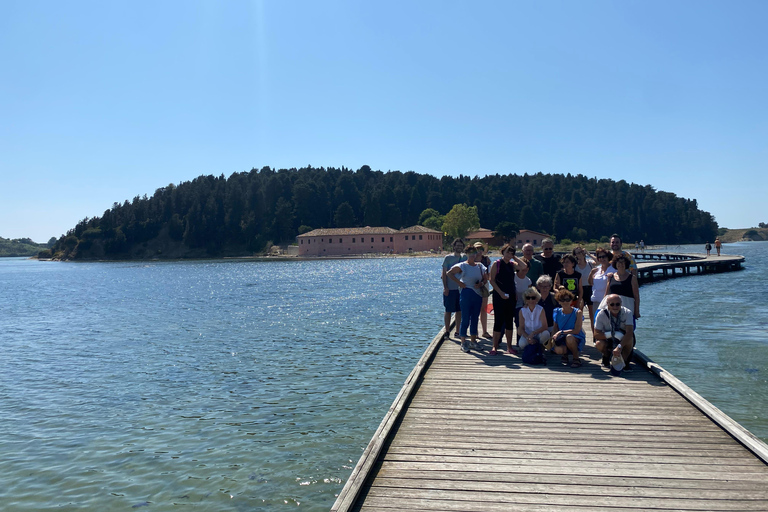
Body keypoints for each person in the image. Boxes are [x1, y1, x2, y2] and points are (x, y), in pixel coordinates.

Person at [447, 246, 487, 353]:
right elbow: (449, 273)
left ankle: (473, 341)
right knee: (465, 318)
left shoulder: (480, 266)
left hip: (477, 294)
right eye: (470, 253)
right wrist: (459, 283)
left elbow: (486, 278)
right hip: (466, 294)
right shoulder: (462, 265)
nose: (472, 255)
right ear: (466, 254)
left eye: (474, 253)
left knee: (475, 318)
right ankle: (463, 342)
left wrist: (481, 283)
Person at [489, 243, 526, 355]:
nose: (509, 254)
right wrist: (500, 293)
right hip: (498, 295)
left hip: (510, 295)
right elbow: (492, 280)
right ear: (502, 252)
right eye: (507, 252)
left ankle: (509, 347)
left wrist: (514, 257)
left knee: (509, 321)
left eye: (511, 252)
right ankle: (494, 347)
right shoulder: (497, 263)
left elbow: (523, 266)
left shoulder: (512, 264)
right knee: (498, 321)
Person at [594, 294, 634, 370]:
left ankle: (624, 362)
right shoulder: (601, 314)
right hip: (607, 337)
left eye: (617, 304)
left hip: (623, 337)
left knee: (630, 339)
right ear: (607, 304)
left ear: (621, 303)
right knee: (599, 343)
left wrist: (619, 347)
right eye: (612, 304)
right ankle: (606, 357)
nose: (615, 307)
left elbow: (629, 332)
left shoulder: (627, 312)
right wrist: (613, 334)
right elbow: (596, 334)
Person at [551, 288, 586, 368]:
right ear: (559, 301)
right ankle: (565, 354)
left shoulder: (578, 312)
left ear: (571, 300)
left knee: (569, 337)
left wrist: (561, 332)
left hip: (575, 336)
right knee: (557, 349)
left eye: (567, 299)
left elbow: (577, 331)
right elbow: (555, 328)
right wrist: (552, 340)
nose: (565, 302)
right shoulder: (557, 312)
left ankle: (576, 358)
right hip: (562, 337)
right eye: (562, 300)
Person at [602, 254, 640, 321]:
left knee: (628, 328)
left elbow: (636, 296)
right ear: (615, 264)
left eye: (623, 262)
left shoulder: (632, 278)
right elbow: (606, 294)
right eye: (619, 262)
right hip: (613, 307)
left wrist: (636, 311)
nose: (621, 264)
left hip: (627, 306)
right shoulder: (611, 277)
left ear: (626, 264)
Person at [441, 238, 465, 339]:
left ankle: (457, 331)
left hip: (461, 289)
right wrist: (445, 287)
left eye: (460, 246)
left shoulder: (465, 258)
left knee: (459, 311)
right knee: (448, 310)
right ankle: (447, 331)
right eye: (457, 245)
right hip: (450, 289)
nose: (459, 247)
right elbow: (444, 273)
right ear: (454, 246)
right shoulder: (448, 258)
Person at [588, 247, 616, 329]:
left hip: (606, 301)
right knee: (596, 323)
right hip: (596, 300)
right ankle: (596, 340)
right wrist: (591, 273)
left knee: (607, 324)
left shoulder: (613, 269)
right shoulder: (597, 270)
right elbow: (590, 283)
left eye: (603, 256)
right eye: (599, 257)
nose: (601, 259)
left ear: (608, 257)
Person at [518, 286, 551, 350]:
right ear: (525, 299)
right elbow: (521, 328)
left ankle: (541, 348)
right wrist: (528, 337)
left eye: (533, 298)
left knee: (546, 334)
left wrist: (533, 333)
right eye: (528, 298)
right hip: (527, 334)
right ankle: (532, 347)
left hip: (539, 333)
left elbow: (545, 326)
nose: (530, 300)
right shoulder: (522, 311)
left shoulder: (540, 309)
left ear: (537, 298)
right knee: (522, 344)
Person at [510, 262, 533, 354]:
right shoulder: (513, 276)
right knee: (505, 323)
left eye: (526, 269)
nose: (525, 271)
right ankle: (498, 341)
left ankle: (519, 343)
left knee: (519, 323)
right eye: (523, 269)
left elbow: (529, 294)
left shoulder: (528, 281)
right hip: (510, 303)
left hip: (521, 305)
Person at [474, 242, 493, 338]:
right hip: (473, 286)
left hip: (484, 285)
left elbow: (489, 274)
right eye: (477, 249)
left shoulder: (486, 260)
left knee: (484, 309)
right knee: (474, 309)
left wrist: (484, 281)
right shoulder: (471, 259)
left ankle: (484, 331)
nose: (479, 251)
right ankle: (474, 331)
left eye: (480, 249)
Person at [573, 247, 595, 331]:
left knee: (592, 314)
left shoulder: (590, 264)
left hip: (590, 289)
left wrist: (588, 253)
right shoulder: (575, 266)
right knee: (579, 313)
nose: (579, 254)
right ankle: (578, 332)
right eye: (577, 253)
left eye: (581, 252)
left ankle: (594, 335)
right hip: (580, 290)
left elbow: (598, 262)